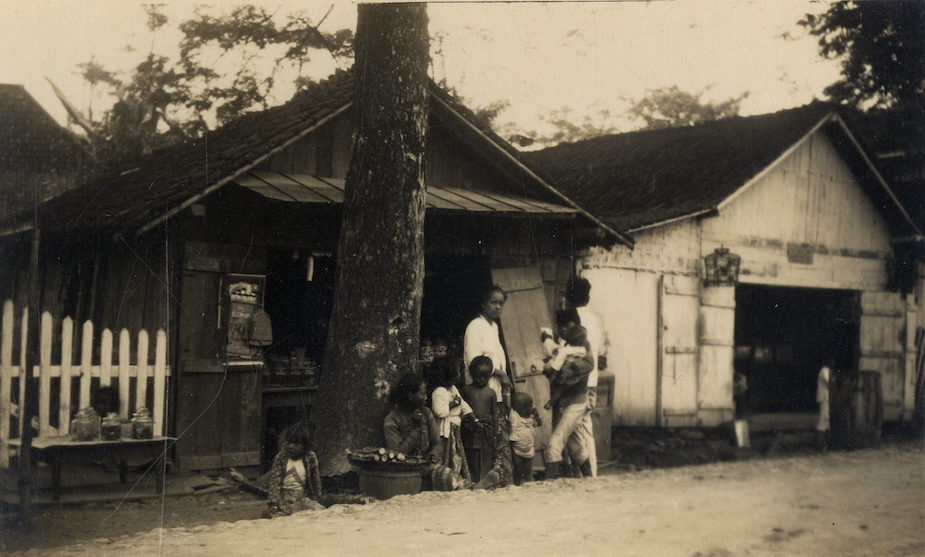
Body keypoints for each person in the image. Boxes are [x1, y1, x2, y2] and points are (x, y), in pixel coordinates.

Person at [384, 373, 499, 491]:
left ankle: (473, 486)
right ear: (411, 395)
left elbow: (436, 442)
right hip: (404, 470)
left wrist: (432, 455)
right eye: (422, 393)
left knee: (445, 473)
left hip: (425, 466)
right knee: (443, 476)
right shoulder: (392, 420)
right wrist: (416, 430)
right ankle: (474, 487)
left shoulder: (425, 412)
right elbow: (397, 453)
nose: (425, 397)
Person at [463, 284, 514, 485]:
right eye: (494, 302)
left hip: (496, 393)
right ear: (483, 304)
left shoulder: (494, 327)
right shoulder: (475, 327)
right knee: (482, 440)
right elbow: (474, 362)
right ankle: (483, 481)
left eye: (501, 303)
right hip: (480, 394)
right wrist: (501, 374)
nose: (498, 307)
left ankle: (499, 480)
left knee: (497, 438)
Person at [542, 308, 594, 481]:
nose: (564, 329)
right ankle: (590, 479)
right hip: (566, 403)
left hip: (575, 402)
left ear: (577, 325)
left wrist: (552, 369)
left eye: (568, 325)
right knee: (576, 445)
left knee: (555, 442)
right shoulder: (568, 345)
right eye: (561, 326)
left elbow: (567, 371)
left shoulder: (583, 348)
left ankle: (547, 483)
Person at [566, 276, 602, 478]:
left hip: (577, 382)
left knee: (576, 431)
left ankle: (586, 477)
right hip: (591, 380)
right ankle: (586, 475)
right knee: (583, 429)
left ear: (568, 297)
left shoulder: (572, 320)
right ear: (587, 297)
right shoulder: (594, 320)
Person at [428, 358, 474, 482]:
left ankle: (454, 477)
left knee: (455, 453)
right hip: (444, 431)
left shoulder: (453, 388)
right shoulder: (439, 391)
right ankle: (445, 478)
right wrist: (454, 403)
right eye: (457, 372)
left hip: (454, 428)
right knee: (444, 454)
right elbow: (439, 411)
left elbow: (462, 403)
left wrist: (472, 416)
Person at [265, 423, 325, 518]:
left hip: (303, 497)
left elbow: (315, 480)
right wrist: (273, 504)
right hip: (284, 498)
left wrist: (317, 498)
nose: (290, 446)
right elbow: (275, 482)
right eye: (289, 442)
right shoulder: (281, 458)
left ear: (304, 446)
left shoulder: (310, 457)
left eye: (296, 444)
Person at [461, 356, 499, 482]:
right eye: (479, 376)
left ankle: (486, 480)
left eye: (485, 376)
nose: (482, 379)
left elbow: (494, 414)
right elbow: (462, 409)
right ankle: (474, 480)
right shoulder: (466, 390)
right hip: (471, 428)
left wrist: (495, 432)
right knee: (472, 453)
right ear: (472, 374)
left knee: (487, 453)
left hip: (486, 428)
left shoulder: (491, 392)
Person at [509, 391, 541, 485]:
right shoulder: (515, 418)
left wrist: (537, 415)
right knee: (518, 472)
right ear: (523, 410)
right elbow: (508, 406)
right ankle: (517, 486)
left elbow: (540, 423)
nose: (532, 408)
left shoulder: (530, 419)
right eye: (530, 407)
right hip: (517, 451)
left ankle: (531, 487)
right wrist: (507, 392)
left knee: (528, 472)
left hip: (529, 451)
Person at [816, 356, 833, 451]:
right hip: (824, 398)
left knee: (827, 420)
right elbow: (828, 383)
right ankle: (820, 443)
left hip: (827, 398)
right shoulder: (824, 371)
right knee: (823, 419)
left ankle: (825, 443)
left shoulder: (828, 371)